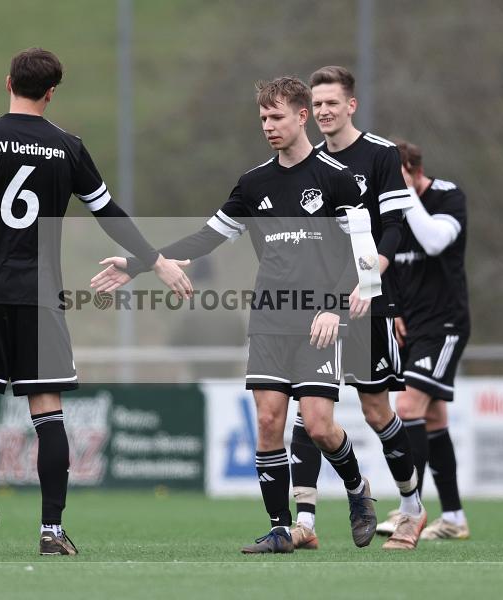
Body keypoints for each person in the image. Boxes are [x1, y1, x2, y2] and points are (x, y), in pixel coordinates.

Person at [0, 48, 191, 557]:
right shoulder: (68, 147)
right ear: (52, 91)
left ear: (8, 81)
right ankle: (52, 532)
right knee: (48, 411)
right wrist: (155, 259)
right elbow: (110, 213)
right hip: (39, 298)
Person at [91, 76, 379, 554]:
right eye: (263, 118)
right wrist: (140, 263)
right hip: (269, 317)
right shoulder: (253, 184)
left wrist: (335, 307)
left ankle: (357, 491)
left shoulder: (337, 179)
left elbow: (365, 254)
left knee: (320, 425)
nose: (268, 125)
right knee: (268, 421)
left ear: (302, 116)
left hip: (318, 322)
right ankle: (281, 527)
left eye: (277, 117)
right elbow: (206, 237)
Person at [288, 65, 426, 551]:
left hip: (368, 303)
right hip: (318, 304)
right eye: (317, 105)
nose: (324, 112)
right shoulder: (308, 160)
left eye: (332, 103)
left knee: (374, 410)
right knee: (308, 410)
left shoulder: (381, 154)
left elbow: (393, 228)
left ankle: (411, 508)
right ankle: (303, 519)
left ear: (351, 105)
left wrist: (369, 280)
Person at [376, 138, 471, 540]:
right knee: (433, 418)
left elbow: (433, 240)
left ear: (413, 172)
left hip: (445, 325)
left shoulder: (448, 197)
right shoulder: (391, 211)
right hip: (411, 326)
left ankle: (407, 509)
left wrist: (405, 195)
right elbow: (388, 265)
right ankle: (453, 518)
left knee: (408, 404)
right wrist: (394, 310)